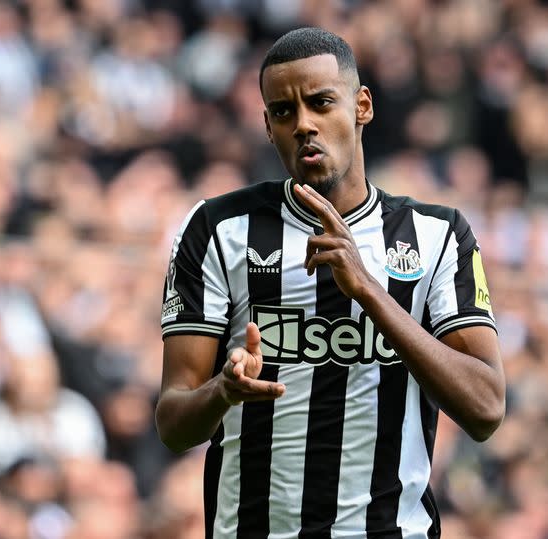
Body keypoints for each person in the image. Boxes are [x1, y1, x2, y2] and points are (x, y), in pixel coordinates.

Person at [156, 27, 505, 539]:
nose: (303, 125)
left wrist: (367, 290)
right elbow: (172, 422)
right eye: (283, 112)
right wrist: (223, 391)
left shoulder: (437, 235)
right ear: (267, 126)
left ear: (362, 105)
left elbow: (486, 409)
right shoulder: (215, 229)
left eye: (321, 103)